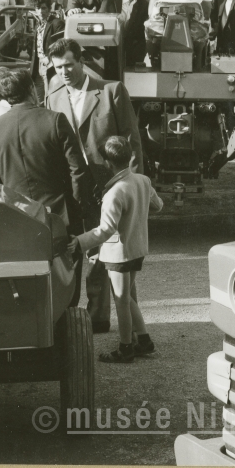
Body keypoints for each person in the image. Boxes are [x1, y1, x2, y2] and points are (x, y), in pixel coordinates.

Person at [46, 37, 145, 334]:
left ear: (81, 61)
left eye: (69, 65)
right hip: (74, 186)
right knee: (86, 247)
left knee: (113, 251)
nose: (64, 72)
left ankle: (114, 321)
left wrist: (133, 185)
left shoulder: (111, 91)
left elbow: (132, 141)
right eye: (58, 67)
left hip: (110, 184)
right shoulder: (54, 94)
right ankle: (95, 317)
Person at [70, 135, 162, 363]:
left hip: (118, 253)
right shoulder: (143, 181)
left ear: (107, 163)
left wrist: (79, 242)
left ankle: (125, 347)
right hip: (137, 248)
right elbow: (158, 206)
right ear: (130, 156)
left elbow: (105, 230)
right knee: (127, 297)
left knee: (121, 299)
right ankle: (143, 340)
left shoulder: (114, 193)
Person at [0, 66, 96, 238]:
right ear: (31, 89)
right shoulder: (55, 120)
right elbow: (77, 169)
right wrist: (79, 207)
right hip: (59, 215)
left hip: (15, 216)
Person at [86, 0, 153, 68]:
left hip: (126, 62)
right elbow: (76, 1)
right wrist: (71, 10)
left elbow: (139, 36)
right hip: (102, 59)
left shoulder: (143, 4)